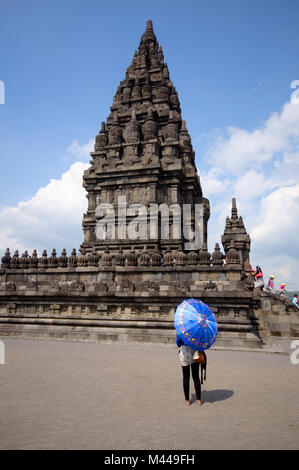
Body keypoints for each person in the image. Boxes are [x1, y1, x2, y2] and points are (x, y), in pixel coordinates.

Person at [176, 335, 202, 406]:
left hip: (184, 353)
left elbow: (178, 343)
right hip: (194, 353)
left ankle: (187, 400)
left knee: (186, 377)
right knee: (196, 377)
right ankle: (198, 400)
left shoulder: (182, 330)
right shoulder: (197, 330)